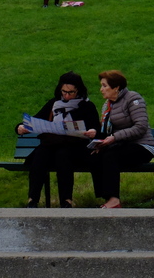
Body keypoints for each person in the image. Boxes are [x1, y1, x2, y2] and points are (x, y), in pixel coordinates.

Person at [17, 72, 101, 208]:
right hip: (52, 145)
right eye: (64, 91)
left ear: (78, 90)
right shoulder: (54, 103)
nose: (67, 96)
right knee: (40, 154)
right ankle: (32, 200)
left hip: (75, 147)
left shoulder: (86, 106)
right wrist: (20, 127)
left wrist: (93, 132)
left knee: (63, 155)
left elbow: (96, 128)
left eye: (71, 92)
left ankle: (66, 200)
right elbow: (35, 119)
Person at [87, 71, 153, 208]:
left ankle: (114, 200)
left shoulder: (133, 98)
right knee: (95, 155)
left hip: (141, 146)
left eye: (104, 86)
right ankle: (106, 198)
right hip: (121, 145)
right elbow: (107, 131)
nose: (101, 89)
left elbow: (141, 127)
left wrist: (115, 137)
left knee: (111, 155)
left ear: (116, 87)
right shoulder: (107, 105)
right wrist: (97, 135)